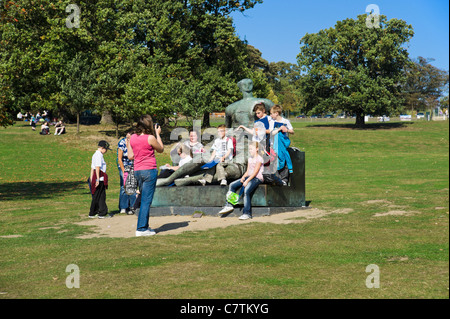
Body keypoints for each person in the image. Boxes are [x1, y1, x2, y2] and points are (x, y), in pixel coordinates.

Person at [127, 114, 164, 237]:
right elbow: (161, 149)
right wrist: (158, 133)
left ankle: (144, 226)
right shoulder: (150, 138)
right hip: (149, 170)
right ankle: (141, 228)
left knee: (144, 199)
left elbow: (131, 156)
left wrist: (128, 142)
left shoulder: (132, 137)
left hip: (138, 170)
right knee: (146, 201)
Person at [218, 142, 264, 220]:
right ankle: (229, 205)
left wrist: (247, 181)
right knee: (232, 185)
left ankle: (247, 213)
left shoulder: (259, 159)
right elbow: (248, 171)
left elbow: (255, 172)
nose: (250, 151)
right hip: (249, 177)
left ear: (257, 149)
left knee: (246, 191)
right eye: (249, 149)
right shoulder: (250, 159)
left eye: (251, 149)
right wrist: (243, 177)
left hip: (257, 178)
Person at [89, 140, 112, 219]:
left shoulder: (95, 154)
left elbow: (92, 168)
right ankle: (96, 212)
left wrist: (91, 179)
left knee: (100, 195)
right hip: (100, 177)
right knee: (98, 195)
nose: (106, 151)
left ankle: (100, 211)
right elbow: (97, 167)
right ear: (102, 148)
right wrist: (97, 180)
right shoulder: (99, 155)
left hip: (97, 177)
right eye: (106, 149)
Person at [117, 129, 137, 215]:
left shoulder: (134, 143)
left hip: (132, 166)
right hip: (124, 165)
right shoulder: (122, 143)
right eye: (128, 136)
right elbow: (119, 159)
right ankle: (123, 207)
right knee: (124, 186)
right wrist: (123, 170)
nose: (129, 138)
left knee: (132, 185)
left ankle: (132, 206)